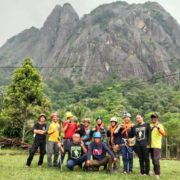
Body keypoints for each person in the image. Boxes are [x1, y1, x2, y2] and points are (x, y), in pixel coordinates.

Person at [150, 114, 166, 179]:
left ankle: (157, 174)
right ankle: (155, 171)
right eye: (152, 117)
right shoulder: (150, 125)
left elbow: (164, 134)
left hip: (157, 146)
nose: (153, 118)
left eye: (154, 117)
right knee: (153, 160)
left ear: (157, 118)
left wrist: (158, 127)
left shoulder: (160, 125)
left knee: (156, 160)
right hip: (150, 145)